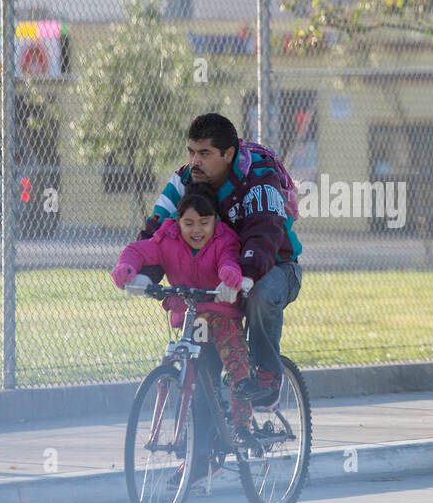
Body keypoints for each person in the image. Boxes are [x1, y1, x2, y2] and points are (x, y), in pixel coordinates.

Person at [127, 113, 302, 405]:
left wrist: (244, 276)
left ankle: (267, 377)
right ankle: (204, 442)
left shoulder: (259, 175)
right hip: (218, 280)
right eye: (191, 152)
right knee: (203, 368)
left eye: (204, 154)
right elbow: (159, 230)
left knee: (261, 294)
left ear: (228, 154)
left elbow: (264, 233)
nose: (195, 161)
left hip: (274, 268)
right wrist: (142, 271)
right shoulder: (184, 178)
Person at [111, 183, 269, 434]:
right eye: (189, 223)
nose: (197, 230)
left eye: (204, 222)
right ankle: (196, 427)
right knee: (195, 367)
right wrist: (127, 268)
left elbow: (228, 261)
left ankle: (242, 426)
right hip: (189, 314)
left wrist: (229, 276)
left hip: (220, 313)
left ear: (215, 221)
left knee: (237, 364)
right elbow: (136, 250)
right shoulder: (167, 238)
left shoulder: (224, 239)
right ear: (178, 221)